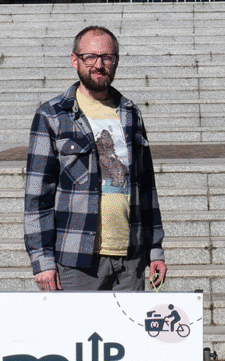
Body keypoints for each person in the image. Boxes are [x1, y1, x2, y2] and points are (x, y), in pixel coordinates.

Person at [24, 25, 166, 292]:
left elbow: (147, 188)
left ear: (116, 61)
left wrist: (155, 249)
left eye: (107, 57)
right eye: (90, 57)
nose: (99, 65)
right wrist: (43, 261)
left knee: (125, 335)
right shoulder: (52, 116)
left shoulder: (130, 113)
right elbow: (36, 197)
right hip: (77, 261)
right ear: (74, 60)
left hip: (131, 259)